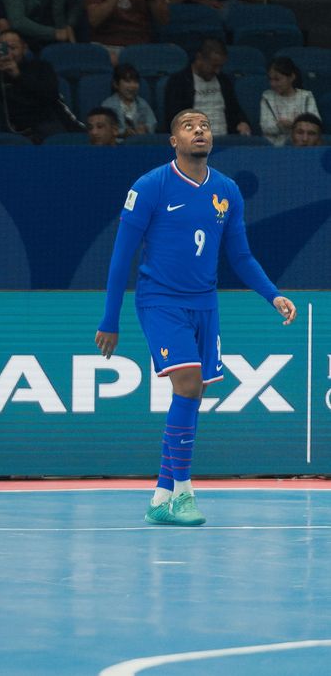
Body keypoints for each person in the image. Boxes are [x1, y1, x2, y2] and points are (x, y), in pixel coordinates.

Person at [96, 108, 296, 526]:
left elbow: (240, 255)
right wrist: (109, 320)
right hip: (160, 300)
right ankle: (185, 494)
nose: (199, 130)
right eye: (188, 126)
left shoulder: (227, 190)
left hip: (205, 303)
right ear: (174, 140)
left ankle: (160, 496)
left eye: (204, 125)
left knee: (192, 394)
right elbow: (121, 258)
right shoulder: (150, 186)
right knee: (187, 381)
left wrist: (272, 296)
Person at [0, 29, 81, 142]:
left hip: (45, 122)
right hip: (14, 130)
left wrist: (18, 75)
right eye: (3, 48)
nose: (9, 53)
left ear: (24, 48)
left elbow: (50, 94)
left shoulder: (40, 67)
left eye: (13, 48)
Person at [161, 38, 249, 135]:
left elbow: (235, 110)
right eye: (214, 66)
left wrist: (243, 123)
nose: (217, 71)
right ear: (199, 58)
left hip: (225, 141)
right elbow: (174, 120)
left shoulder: (224, 81)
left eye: (220, 66)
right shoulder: (178, 82)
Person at [259, 57, 319, 146]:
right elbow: (266, 126)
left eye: (277, 79)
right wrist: (294, 127)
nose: (272, 84)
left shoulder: (306, 96)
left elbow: (315, 123)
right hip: (274, 147)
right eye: (270, 79)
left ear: (291, 77)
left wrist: (292, 125)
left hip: (303, 145)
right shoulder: (267, 97)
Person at [101, 62, 156, 133]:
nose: (132, 86)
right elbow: (104, 129)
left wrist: (146, 128)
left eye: (136, 82)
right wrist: (123, 132)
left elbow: (152, 123)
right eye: (127, 81)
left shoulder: (142, 104)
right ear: (116, 84)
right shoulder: (107, 105)